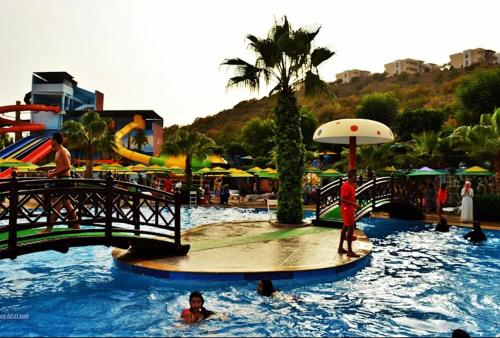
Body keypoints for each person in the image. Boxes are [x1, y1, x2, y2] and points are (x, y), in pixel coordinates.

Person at [39, 132, 80, 233]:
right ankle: (77, 226)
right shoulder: (58, 151)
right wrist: (53, 171)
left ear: (55, 141)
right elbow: (62, 167)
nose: (50, 142)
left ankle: (49, 228)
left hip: (63, 180)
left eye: (51, 140)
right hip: (62, 180)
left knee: (57, 205)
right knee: (67, 205)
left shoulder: (62, 151)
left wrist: (53, 175)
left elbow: (67, 167)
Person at [338, 170, 361, 257]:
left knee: (345, 228)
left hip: (349, 209)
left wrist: (354, 206)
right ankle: (349, 251)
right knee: (350, 228)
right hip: (346, 209)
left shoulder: (351, 185)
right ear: (353, 176)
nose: (357, 177)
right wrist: (354, 204)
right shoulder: (346, 186)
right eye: (356, 175)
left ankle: (340, 248)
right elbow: (343, 199)